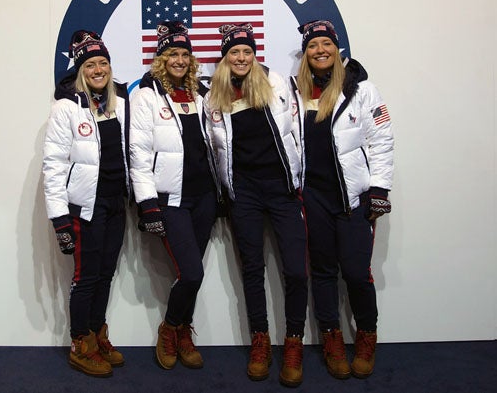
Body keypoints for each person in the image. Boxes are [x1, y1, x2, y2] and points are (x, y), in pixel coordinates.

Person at [204, 23, 308, 387]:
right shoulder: (213, 98)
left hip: (281, 189)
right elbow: (212, 149)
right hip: (244, 194)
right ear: (226, 57)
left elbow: (298, 132)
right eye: (235, 52)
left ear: (254, 54)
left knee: (296, 270)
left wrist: (301, 180)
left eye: (247, 51)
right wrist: (223, 192)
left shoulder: (276, 83)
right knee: (252, 270)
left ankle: (293, 341)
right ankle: (260, 341)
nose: (242, 57)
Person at [289, 20, 394, 379]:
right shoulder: (297, 92)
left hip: (353, 198)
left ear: (337, 48)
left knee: (356, 273)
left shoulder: (361, 89)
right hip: (313, 198)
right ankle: (331, 337)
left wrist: (378, 190)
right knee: (321, 271)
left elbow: (381, 140)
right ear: (306, 54)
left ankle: (366, 336)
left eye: (326, 44)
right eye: (313, 45)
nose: (320, 50)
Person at [129, 21, 219, 370]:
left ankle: (183, 331)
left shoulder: (200, 96)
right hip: (170, 200)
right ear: (161, 59)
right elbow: (137, 153)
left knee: (189, 274)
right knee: (192, 272)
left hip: (205, 199)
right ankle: (170, 328)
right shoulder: (146, 96)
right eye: (172, 54)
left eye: (184, 54)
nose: (179, 60)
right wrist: (148, 205)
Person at [42, 30, 130, 378]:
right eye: (91, 64)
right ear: (80, 69)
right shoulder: (66, 108)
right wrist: (60, 219)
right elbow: (53, 165)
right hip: (84, 208)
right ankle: (81, 343)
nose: (98, 69)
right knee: (86, 277)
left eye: (103, 63)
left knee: (105, 275)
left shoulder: (118, 103)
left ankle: (97, 333)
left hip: (115, 204)